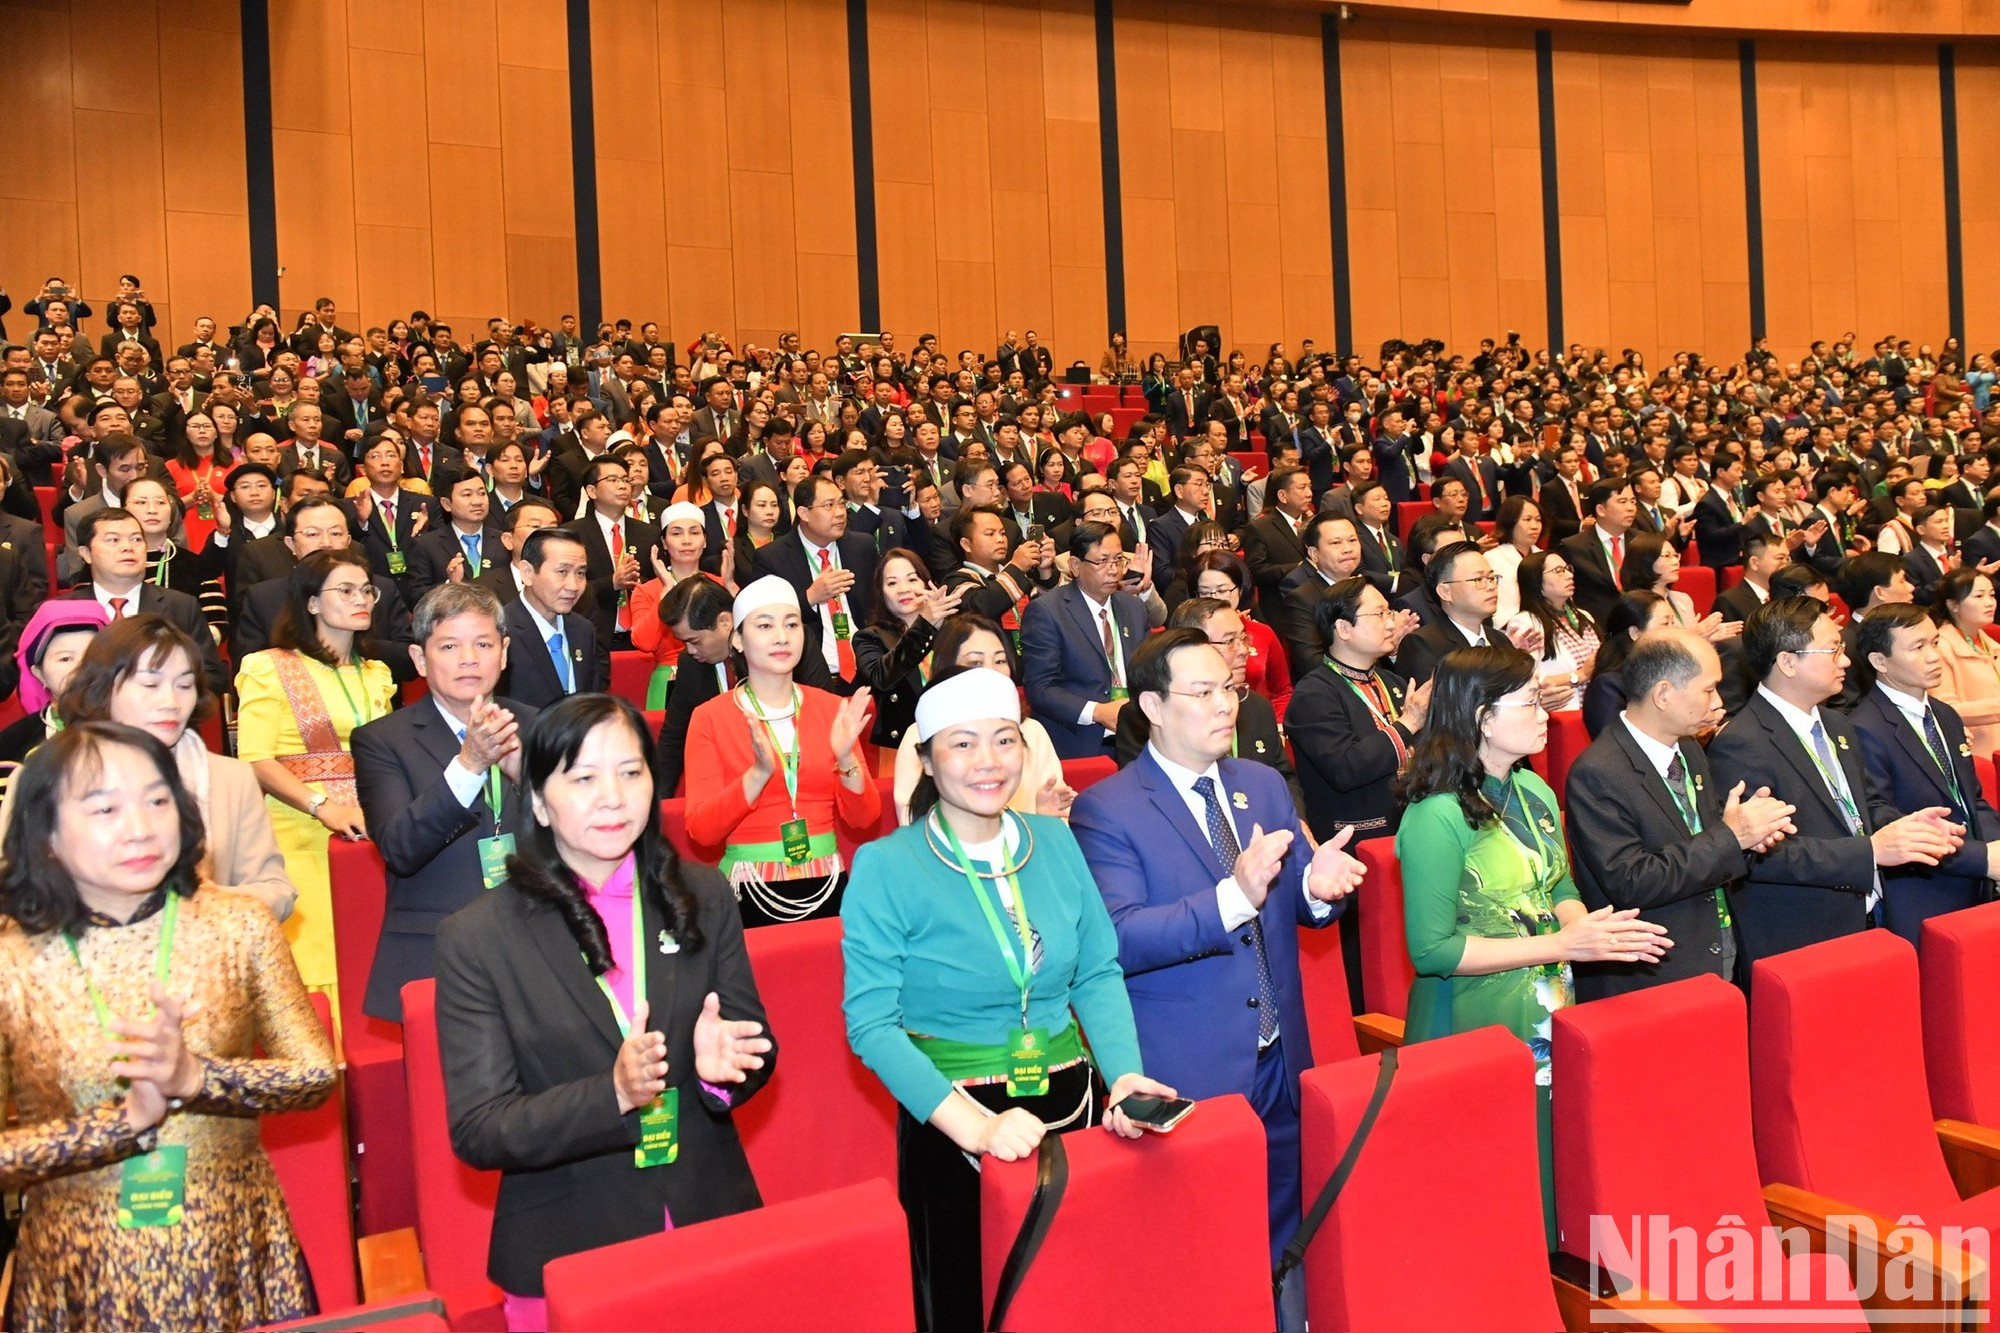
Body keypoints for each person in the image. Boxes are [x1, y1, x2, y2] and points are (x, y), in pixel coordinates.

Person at [842, 667, 1173, 1332]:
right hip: (954, 1118)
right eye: (962, 744)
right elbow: (872, 1025)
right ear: (928, 758)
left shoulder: (1054, 840)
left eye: (1003, 740)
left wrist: (1125, 1072)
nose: (987, 762)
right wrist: (977, 1128)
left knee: (1076, 1297)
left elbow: (1097, 970)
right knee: (976, 1302)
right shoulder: (886, 866)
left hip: (1070, 1106)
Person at [434, 695, 775, 1330]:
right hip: (569, 1246)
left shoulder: (702, 893)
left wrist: (718, 1072)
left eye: (630, 772)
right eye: (584, 778)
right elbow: (481, 1128)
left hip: (708, 1218)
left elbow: (754, 1047)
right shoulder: (479, 938)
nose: (613, 797)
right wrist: (612, 1094)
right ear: (538, 800)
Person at [0, 721, 336, 1331]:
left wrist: (197, 1078)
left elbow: (316, 1074)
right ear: (45, 833)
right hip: (79, 1273)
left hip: (236, 1250)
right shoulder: (11, 961)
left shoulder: (237, 924)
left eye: (158, 800)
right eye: (104, 808)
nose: (141, 827)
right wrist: (120, 1126)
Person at [1072, 630, 1362, 1326]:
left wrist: (1318, 890)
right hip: (1191, 1068)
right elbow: (1120, 938)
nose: (1224, 705)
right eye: (1201, 692)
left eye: (1228, 688)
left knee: (1287, 1238)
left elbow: (1290, 899)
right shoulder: (1109, 808)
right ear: (1152, 705)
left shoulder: (1260, 782)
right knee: (1200, 1253)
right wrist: (1233, 897)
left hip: (1281, 1057)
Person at [1395, 645, 1668, 1242]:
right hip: (1470, 1020)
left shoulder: (1533, 791)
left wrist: (1593, 932)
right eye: (1530, 700)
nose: (1547, 711)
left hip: (1545, 1003)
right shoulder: (1435, 816)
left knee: (1546, 1158)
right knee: (1486, 1186)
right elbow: (1433, 951)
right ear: (1482, 718)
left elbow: (1560, 884)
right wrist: (1565, 944)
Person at [1706, 597, 1963, 963]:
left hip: (1865, 916)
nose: (1845, 660)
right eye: (1833, 650)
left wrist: (1908, 829)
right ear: (1787, 662)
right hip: (1801, 936)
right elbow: (1760, 855)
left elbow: (1865, 806)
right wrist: (1872, 851)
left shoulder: (1837, 723)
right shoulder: (1740, 742)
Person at [1564, 629, 1796, 1000]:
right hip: (1653, 976)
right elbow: (1631, 881)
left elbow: (1704, 843)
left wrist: (1748, 839)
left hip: (1716, 952)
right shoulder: (1599, 771)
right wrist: (1731, 837)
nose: (1718, 701)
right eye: (1708, 689)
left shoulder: (1688, 750)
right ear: (1663, 694)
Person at [352, 584, 537, 1022]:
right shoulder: (383, 740)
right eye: (450, 645)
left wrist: (527, 779)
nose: (469, 658)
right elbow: (400, 848)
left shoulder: (537, 724)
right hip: (436, 953)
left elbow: (578, 837)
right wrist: (469, 764)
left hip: (535, 946)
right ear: (419, 659)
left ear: (504, 652)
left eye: (484, 644)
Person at [45, 615, 296, 920]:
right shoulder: (51, 774)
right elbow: (15, 887)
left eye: (185, 685)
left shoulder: (231, 779)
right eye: (151, 684)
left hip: (205, 954)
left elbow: (276, 890)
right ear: (105, 687)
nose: (172, 701)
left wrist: (194, 905)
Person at [235, 548, 398, 993]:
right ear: (311, 603)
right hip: (300, 833)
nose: (360, 598)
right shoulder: (270, 666)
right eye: (344, 590)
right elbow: (255, 758)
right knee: (319, 969)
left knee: (370, 963)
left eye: (366, 590)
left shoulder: (375, 672)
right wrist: (321, 805)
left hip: (370, 834)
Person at [682, 576, 881, 925]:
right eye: (765, 625)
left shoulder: (831, 709)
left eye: (791, 624)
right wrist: (758, 775)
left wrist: (847, 758)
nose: (782, 636)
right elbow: (702, 830)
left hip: (828, 882)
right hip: (748, 888)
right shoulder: (710, 717)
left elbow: (864, 819)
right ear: (739, 640)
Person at [1848, 603, 2000, 945]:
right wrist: (1982, 858)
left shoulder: (1945, 714)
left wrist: (1995, 847)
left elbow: (1971, 798)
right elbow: (1886, 821)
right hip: (1922, 892)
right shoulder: (1864, 728)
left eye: (1934, 643)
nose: (1934, 656)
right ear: (1879, 662)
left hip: (1977, 882)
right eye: (1918, 647)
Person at [1288, 577, 1429, 843]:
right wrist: (1407, 725)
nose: (1391, 622)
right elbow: (1346, 769)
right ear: (1343, 628)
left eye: (1390, 612)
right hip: (1360, 837)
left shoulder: (1393, 682)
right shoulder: (1314, 694)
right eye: (1379, 614)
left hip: (1414, 823)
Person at [892, 613, 1067, 824]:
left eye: (1000, 660)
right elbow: (911, 821)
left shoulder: (1032, 730)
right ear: (948, 667)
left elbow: (1055, 815)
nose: (991, 671)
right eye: (975, 662)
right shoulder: (921, 735)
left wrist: (1044, 820)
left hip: (1028, 848)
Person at [62, 508, 229, 697]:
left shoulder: (181, 606)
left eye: (136, 539)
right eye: (113, 540)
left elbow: (212, 675)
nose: (128, 547)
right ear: (86, 553)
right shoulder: (62, 612)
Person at [1020, 521, 1149, 760]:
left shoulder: (1133, 608)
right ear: (1075, 566)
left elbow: (1148, 674)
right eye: (1102, 561)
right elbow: (1040, 688)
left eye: (1118, 559)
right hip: (1081, 740)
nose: (1113, 570)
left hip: (1136, 736)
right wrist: (1098, 712)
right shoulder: (1047, 612)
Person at [752, 472, 879, 692]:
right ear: (804, 513)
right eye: (829, 505)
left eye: (841, 504)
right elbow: (765, 622)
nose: (840, 513)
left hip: (868, 672)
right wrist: (810, 597)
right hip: (812, 679)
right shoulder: (772, 558)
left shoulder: (862, 546)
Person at [854, 548, 964, 748]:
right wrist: (925, 624)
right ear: (881, 593)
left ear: (926, 583)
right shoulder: (869, 637)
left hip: (955, 735)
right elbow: (881, 678)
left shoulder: (953, 630)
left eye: (912, 579)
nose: (904, 589)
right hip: (901, 746)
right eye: (892, 583)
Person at [0, 601, 108, 801]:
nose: (81, 668)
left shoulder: (141, 728)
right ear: (39, 674)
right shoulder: (11, 746)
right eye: (65, 659)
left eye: (92, 655)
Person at [630, 502, 729, 709]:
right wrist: (666, 592)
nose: (686, 541)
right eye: (676, 533)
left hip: (718, 673)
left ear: (704, 541)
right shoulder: (647, 591)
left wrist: (732, 586)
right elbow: (644, 642)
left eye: (694, 532)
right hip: (669, 678)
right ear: (664, 543)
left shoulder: (720, 584)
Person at [499, 526, 604, 708]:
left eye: (580, 573)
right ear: (528, 573)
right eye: (562, 572)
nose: (573, 585)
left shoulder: (584, 630)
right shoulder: (500, 630)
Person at [1186, 549, 1291, 717]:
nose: (1214, 598)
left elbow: (1282, 691)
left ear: (1240, 589)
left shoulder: (1262, 633)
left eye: (1222, 591)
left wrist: (1277, 725)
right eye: (1205, 593)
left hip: (1259, 725)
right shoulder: (1189, 637)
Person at [1506, 551, 1600, 713]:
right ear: (1537, 582)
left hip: (1595, 709)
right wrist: (1580, 675)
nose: (1569, 575)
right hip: (1559, 716)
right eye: (1558, 571)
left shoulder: (1584, 616)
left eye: (1567, 568)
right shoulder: (1525, 623)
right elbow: (1526, 682)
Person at [1274, 512, 1363, 681]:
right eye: (1336, 543)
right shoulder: (1301, 599)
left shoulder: (1366, 589)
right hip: (1330, 690)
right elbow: (1310, 663)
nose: (1348, 549)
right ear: (1314, 553)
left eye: (1352, 540)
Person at [1581, 590, 1673, 737]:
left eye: (1672, 623)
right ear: (1635, 633)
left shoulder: (1667, 673)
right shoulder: (1608, 686)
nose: (1674, 631)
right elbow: (1617, 742)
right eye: (1665, 624)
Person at [1933, 568, 2000, 758]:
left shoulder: (1989, 643)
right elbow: (1945, 709)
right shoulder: (1941, 647)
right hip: (1975, 750)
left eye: (1992, 595)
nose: (1989, 603)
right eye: (1979, 596)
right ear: (1953, 605)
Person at [1559, 478, 1638, 625]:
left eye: (1633, 502)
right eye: (1622, 502)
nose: (1631, 508)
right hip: (1595, 628)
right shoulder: (1573, 547)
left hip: (1639, 625)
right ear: (1601, 510)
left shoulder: (1642, 542)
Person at [1488, 495, 1544, 625]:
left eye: (1538, 520)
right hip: (1509, 626)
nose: (1535, 526)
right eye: (1527, 519)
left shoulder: (1546, 557)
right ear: (1510, 523)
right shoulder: (1492, 559)